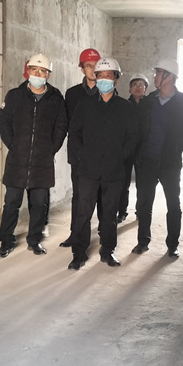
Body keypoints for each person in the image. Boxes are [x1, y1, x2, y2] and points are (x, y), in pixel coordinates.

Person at [67, 58, 138, 270]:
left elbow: (133, 137)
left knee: (109, 214)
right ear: (96, 79)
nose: (104, 80)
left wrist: (121, 155)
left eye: (109, 76)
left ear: (116, 80)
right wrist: (82, 155)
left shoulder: (125, 108)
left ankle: (108, 251)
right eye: (101, 76)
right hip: (88, 170)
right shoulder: (85, 105)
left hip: (114, 171)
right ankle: (78, 253)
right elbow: (74, 133)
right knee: (83, 213)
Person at [0, 53, 68, 257]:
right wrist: (13, 144)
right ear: (27, 71)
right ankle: (6, 241)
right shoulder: (15, 96)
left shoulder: (56, 98)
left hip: (42, 161)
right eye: (34, 70)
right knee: (11, 203)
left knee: (39, 204)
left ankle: (34, 240)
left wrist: (51, 148)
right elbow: (2, 121)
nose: (38, 74)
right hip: (17, 160)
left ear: (48, 74)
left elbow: (62, 125)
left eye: (42, 71)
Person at [133, 59, 183, 257]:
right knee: (144, 204)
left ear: (170, 77)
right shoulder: (149, 101)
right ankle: (143, 242)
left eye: (159, 73)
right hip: (147, 161)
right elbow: (139, 128)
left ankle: (172, 244)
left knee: (173, 204)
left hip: (170, 163)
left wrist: (174, 149)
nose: (155, 76)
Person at [60, 48, 102, 248]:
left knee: (102, 196)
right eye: (88, 66)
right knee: (78, 196)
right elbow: (68, 124)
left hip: (101, 155)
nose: (92, 70)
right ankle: (75, 234)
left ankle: (104, 233)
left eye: (95, 66)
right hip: (78, 155)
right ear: (82, 69)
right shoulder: (72, 94)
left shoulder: (106, 92)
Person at [117, 73, 149, 223]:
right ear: (130, 89)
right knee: (123, 182)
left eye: (141, 85)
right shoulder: (124, 106)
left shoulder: (150, 106)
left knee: (143, 184)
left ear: (145, 89)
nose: (138, 87)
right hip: (128, 148)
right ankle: (122, 211)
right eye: (135, 85)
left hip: (144, 150)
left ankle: (140, 211)